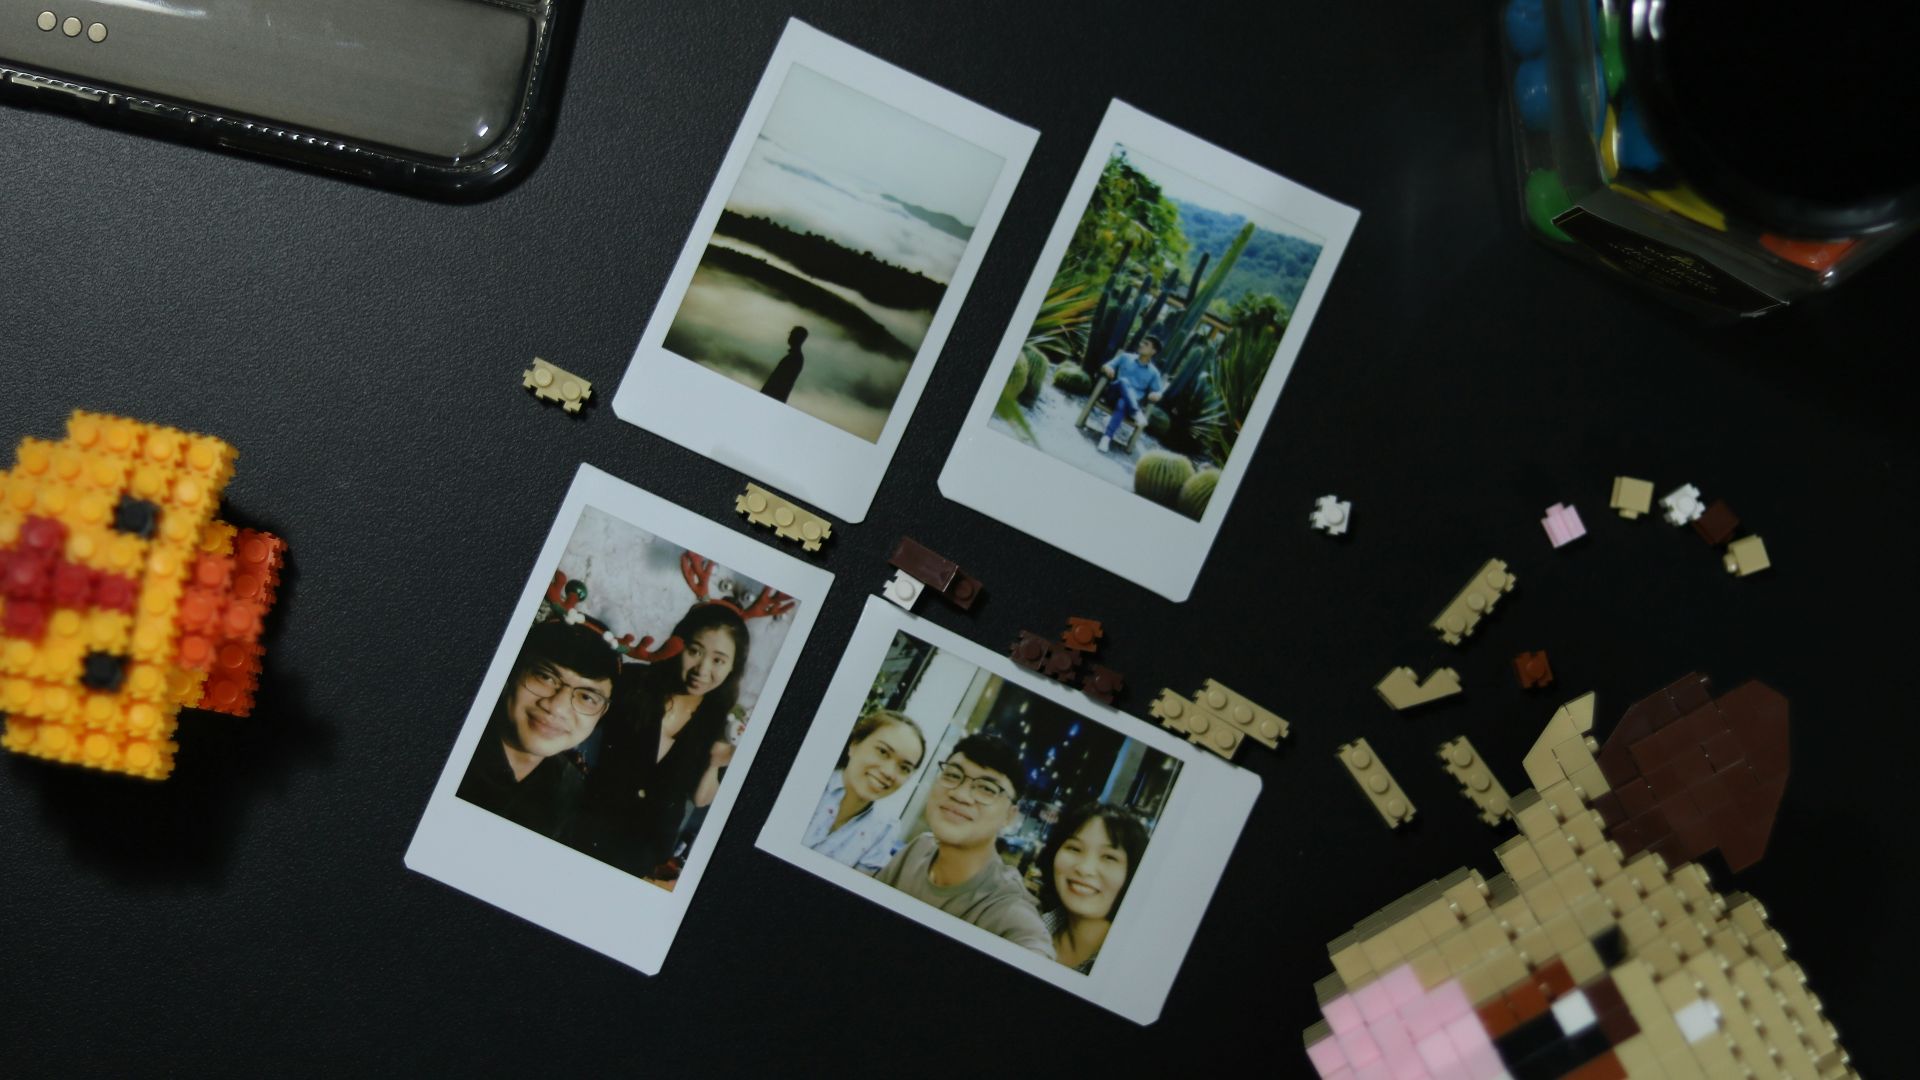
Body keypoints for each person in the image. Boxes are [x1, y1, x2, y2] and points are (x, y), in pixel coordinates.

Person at [571, 602, 751, 880]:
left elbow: (700, 799)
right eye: (695, 651)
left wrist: (715, 764)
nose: (702, 670)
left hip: (646, 856)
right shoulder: (633, 682)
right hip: (586, 833)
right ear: (677, 645)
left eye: (718, 660)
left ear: (732, 667)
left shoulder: (722, 723)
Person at [875, 733, 1054, 958]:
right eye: (952, 775)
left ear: (1010, 816)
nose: (960, 794)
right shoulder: (918, 848)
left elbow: (1035, 950)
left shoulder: (1005, 909)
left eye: (987, 789)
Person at [458, 620, 618, 840]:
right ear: (513, 673)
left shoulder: (570, 788)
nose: (557, 707)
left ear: (602, 712)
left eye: (587, 697)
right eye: (545, 677)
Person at [804, 710, 926, 874]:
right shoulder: (806, 780)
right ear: (854, 745)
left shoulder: (884, 829)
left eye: (904, 768)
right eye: (883, 752)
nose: (889, 772)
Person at [1036, 803, 1150, 974]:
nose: (1085, 868)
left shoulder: (1133, 968)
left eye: (1109, 857)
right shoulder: (1026, 929)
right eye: (1074, 848)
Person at [1095, 335, 1167, 452]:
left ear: (1153, 351)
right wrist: (1108, 368)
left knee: (1122, 403)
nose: (1141, 345)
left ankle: (1107, 437)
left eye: (1146, 344)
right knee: (1124, 381)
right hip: (1113, 395)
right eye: (1142, 342)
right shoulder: (1125, 357)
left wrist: (1156, 395)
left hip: (1125, 405)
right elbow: (1106, 365)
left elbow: (1158, 391)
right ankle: (1136, 412)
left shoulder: (1154, 373)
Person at [759, 325, 809, 403]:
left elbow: (781, 381)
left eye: (792, 334)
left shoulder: (794, 358)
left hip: (773, 397)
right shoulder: (795, 357)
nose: (789, 336)